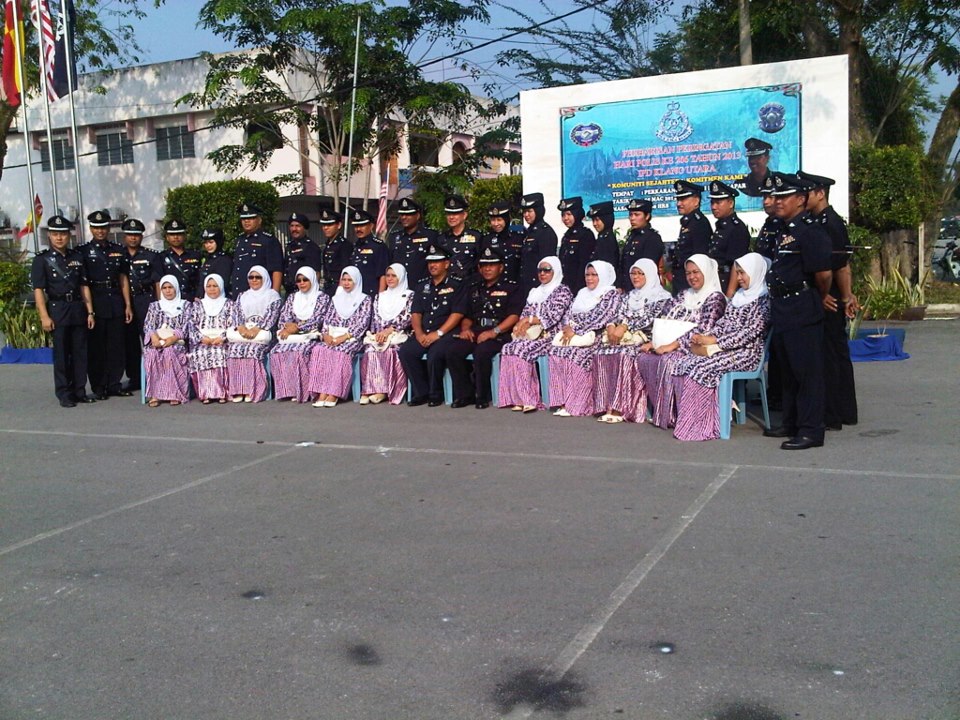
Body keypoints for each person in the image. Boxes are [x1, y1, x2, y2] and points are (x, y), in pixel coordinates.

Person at [762, 172, 833, 450]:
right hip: (782, 306)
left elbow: (823, 275)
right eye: (776, 197)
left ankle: (811, 430)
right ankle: (791, 421)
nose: (778, 201)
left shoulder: (810, 231)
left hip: (802, 305)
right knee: (788, 371)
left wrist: (819, 297)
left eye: (784, 197)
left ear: (801, 199)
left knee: (807, 372)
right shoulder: (784, 229)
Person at [672, 253, 771, 441]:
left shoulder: (763, 300)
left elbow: (749, 333)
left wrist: (716, 342)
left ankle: (704, 424)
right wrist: (706, 337)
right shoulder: (739, 297)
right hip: (724, 349)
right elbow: (723, 323)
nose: (738, 278)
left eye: (742, 273)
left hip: (747, 353)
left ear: (756, 272)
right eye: (737, 273)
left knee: (702, 368)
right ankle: (687, 419)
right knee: (683, 363)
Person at [798, 170, 859, 431]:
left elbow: (841, 264)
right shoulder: (815, 221)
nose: (803, 198)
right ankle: (840, 410)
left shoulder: (830, 223)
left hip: (829, 296)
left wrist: (845, 297)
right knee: (827, 355)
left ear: (820, 194)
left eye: (807, 193)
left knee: (832, 355)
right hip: (823, 294)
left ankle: (836, 413)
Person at [636, 254, 727, 429]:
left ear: (706, 272)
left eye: (696, 272)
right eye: (688, 273)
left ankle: (673, 414)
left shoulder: (715, 298)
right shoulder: (685, 294)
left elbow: (704, 329)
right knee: (643, 357)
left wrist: (672, 345)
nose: (692, 277)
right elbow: (666, 317)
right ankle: (655, 410)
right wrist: (655, 342)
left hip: (694, 347)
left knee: (669, 361)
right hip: (670, 344)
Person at [594, 259, 672, 423]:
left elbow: (648, 320)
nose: (635, 277)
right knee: (601, 351)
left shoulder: (661, 297)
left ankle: (622, 408)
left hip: (646, 338)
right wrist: (611, 327)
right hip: (624, 337)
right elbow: (616, 314)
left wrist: (624, 326)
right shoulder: (629, 296)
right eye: (633, 273)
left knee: (624, 354)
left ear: (650, 274)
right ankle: (606, 405)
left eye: (640, 273)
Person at [445, 247, 525, 408]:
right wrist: (465, 329)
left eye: (492, 265)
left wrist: (494, 332)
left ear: (500, 267)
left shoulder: (511, 288)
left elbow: (514, 316)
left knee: (481, 352)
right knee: (452, 351)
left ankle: (482, 395)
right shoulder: (474, 287)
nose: (487, 269)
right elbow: (467, 315)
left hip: (500, 333)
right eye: (484, 265)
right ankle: (465, 395)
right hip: (476, 330)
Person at [32, 215, 96, 407]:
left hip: (77, 308)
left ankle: (79, 390)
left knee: (80, 352)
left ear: (69, 235)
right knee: (61, 354)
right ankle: (64, 393)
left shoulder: (77, 257)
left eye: (63, 234)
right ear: (49, 236)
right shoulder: (42, 260)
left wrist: (90, 312)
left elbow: (84, 286)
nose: (59, 238)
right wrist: (44, 316)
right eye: (55, 234)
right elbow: (38, 290)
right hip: (58, 309)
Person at [497, 256, 573, 412]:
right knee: (508, 348)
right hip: (532, 335)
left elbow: (553, 317)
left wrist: (529, 320)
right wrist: (521, 325)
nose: (542, 273)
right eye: (540, 270)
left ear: (556, 271)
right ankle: (515, 398)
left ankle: (529, 399)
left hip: (551, 335)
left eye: (547, 270)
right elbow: (525, 314)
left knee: (521, 350)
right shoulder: (535, 292)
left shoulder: (562, 291)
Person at [547, 261, 620, 417]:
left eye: (594, 275)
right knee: (555, 351)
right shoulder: (582, 292)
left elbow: (602, 317)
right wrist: (567, 327)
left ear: (603, 276)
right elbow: (568, 314)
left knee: (575, 355)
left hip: (595, 337)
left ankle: (578, 404)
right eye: (587, 275)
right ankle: (562, 401)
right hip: (573, 334)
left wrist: (576, 329)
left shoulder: (611, 294)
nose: (589, 278)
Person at [397, 244, 467, 406]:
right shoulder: (422, 285)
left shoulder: (457, 284)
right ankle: (421, 392)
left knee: (435, 354)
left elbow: (457, 313)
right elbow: (416, 313)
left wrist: (439, 333)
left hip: (447, 333)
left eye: (436, 262)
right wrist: (419, 334)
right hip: (425, 331)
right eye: (430, 262)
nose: (432, 265)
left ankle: (436, 393)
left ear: (446, 264)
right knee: (407, 351)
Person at [79, 209, 133, 400]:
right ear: (91, 229)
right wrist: (89, 311)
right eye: (96, 228)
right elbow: (83, 283)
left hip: (115, 301)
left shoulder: (118, 250)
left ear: (108, 228)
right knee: (97, 348)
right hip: (95, 301)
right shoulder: (83, 252)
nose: (100, 231)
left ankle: (115, 384)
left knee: (116, 346)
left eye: (103, 227)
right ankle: (99, 386)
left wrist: (127, 304)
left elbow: (123, 279)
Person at [307, 266, 372, 407]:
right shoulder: (336, 299)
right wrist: (325, 335)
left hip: (351, 339)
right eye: (344, 279)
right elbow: (327, 320)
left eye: (350, 280)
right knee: (319, 349)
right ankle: (321, 391)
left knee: (340, 352)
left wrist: (344, 337)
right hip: (333, 336)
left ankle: (334, 393)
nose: (346, 283)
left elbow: (363, 323)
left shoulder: (364, 299)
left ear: (356, 281)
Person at [269, 266, 330, 402]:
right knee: (276, 351)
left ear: (312, 280)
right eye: (299, 280)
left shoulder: (322, 298)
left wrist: (297, 327)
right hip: (292, 336)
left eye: (305, 280)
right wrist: (287, 326)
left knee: (299, 351)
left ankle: (303, 392)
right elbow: (284, 316)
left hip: (310, 337)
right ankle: (288, 390)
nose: (302, 283)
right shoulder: (292, 297)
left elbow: (317, 320)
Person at [359, 263, 415, 405]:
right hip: (380, 333)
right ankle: (370, 389)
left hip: (399, 334)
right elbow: (375, 317)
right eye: (388, 275)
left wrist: (389, 330)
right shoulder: (380, 296)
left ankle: (385, 390)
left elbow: (407, 317)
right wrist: (379, 334)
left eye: (394, 276)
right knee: (371, 350)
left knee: (391, 350)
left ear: (401, 277)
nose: (390, 279)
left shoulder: (409, 295)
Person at [226, 264, 282, 403]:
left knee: (253, 350)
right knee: (234, 349)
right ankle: (239, 389)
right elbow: (237, 314)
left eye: (258, 277)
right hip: (245, 333)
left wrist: (257, 329)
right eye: (251, 277)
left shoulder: (272, 296)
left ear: (265, 278)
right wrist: (242, 329)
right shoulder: (243, 296)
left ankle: (254, 389)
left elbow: (272, 316)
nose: (254, 280)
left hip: (264, 334)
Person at [119, 218, 156, 394]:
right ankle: (135, 378)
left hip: (145, 299)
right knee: (130, 342)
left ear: (141, 236)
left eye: (136, 235)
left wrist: (158, 305)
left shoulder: (150, 256)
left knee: (149, 338)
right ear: (124, 236)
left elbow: (156, 281)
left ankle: (154, 375)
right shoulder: (118, 255)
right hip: (125, 302)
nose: (133, 238)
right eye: (130, 235)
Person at [142, 275, 191, 407]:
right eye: (164, 288)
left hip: (176, 341)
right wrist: (154, 338)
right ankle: (155, 394)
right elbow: (148, 325)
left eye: (170, 287)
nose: (168, 291)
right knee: (152, 354)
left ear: (176, 288)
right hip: (157, 340)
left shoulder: (185, 305)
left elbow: (187, 326)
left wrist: (172, 338)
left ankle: (174, 393)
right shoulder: (155, 306)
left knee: (170, 353)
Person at [187, 274, 236, 404]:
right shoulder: (198, 305)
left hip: (222, 341)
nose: (212, 289)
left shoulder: (229, 304)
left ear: (221, 287)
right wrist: (202, 338)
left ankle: (222, 393)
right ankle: (205, 394)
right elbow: (191, 325)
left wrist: (222, 337)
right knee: (200, 353)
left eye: (215, 286)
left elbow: (233, 324)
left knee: (220, 352)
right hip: (203, 341)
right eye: (209, 286)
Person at [229, 202, 283, 298]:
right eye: (244, 219)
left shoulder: (268, 240)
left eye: (251, 218)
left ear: (259, 220)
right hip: (240, 294)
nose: (246, 221)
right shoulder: (239, 240)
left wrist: (274, 295)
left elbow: (276, 270)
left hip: (260, 295)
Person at [706, 181, 751, 294]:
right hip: (715, 281)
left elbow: (737, 265)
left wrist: (729, 294)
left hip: (726, 283)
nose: (714, 207)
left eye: (718, 203)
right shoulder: (722, 226)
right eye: (712, 203)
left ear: (730, 203)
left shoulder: (737, 228)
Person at [671, 181, 712, 295]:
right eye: (678, 199)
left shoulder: (699, 223)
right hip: (681, 280)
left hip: (691, 282)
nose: (679, 204)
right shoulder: (688, 222)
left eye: (683, 199)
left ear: (696, 201)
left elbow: (700, 257)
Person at [617, 197, 664, 292]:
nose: (632, 218)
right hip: (629, 288)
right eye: (630, 215)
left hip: (645, 289)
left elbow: (648, 268)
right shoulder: (632, 236)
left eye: (637, 215)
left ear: (647, 216)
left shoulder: (652, 238)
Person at [389, 198, 437, 288]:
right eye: (402, 214)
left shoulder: (430, 236)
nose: (404, 217)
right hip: (399, 287)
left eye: (408, 214)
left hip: (422, 287)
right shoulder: (394, 237)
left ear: (417, 216)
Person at [518, 192, 559, 291]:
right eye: (524, 212)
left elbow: (547, 265)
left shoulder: (545, 233)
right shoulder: (529, 232)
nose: (526, 215)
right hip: (526, 285)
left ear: (538, 211)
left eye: (529, 211)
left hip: (539, 286)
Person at [153, 219, 202, 300]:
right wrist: (161, 303)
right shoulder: (161, 257)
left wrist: (199, 297)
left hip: (192, 299)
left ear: (184, 236)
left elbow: (200, 279)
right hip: (171, 300)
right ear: (167, 237)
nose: (176, 237)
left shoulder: (195, 255)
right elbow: (158, 282)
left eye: (179, 234)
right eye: (172, 234)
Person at [557, 196, 597, 294]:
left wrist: (578, 290)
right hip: (566, 287)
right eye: (563, 215)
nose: (565, 218)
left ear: (577, 214)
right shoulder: (567, 236)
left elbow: (584, 264)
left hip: (580, 287)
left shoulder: (585, 235)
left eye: (569, 214)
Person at [438, 194, 482, 282]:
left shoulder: (476, 237)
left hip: (469, 284)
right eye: (449, 214)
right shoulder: (441, 239)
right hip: (447, 285)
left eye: (455, 213)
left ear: (464, 215)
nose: (451, 217)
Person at [348, 208, 390, 295]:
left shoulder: (378, 246)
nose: (358, 229)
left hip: (371, 294)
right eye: (356, 226)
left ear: (371, 226)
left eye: (362, 226)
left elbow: (383, 275)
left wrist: (380, 297)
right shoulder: (354, 246)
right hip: (355, 293)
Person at [481, 201, 523, 283]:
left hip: (516, 286)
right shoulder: (487, 239)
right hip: (495, 287)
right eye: (493, 220)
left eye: (499, 220)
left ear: (506, 219)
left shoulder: (519, 237)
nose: (496, 223)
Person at [281, 212, 323, 295]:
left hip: (304, 291)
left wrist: (312, 293)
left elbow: (316, 273)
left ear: (304, 228)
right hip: (289, 292)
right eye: (292, 226)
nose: (294, 229)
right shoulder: (289, 246)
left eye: (298, 226)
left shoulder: (311, 247)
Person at [318, 207, 353, 296]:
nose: (326, 228)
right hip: (327, 287)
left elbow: (346, 270)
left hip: (340, 288)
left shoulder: (344, 245)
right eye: (324, 225)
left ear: (339, 225)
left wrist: (340, 290)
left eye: (329, 225)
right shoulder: (327, 245)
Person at [198, 228, 233, 298]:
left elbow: (223, 284)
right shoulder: (208, 258)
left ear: (218, 242)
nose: (208, 245)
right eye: (206, 243)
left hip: (218, 298)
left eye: (211, 242)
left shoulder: (224, 260)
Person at [754, 175, 782, 262]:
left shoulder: (783, 224)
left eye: (770, 197)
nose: (766, 202)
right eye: (764, 197)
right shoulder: (768, 223)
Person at [586, 201, 620, 269]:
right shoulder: (602, 237)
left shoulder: (607, 240)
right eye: (593, 220)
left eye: (597, 220)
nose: (594, 224)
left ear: (606, 219)